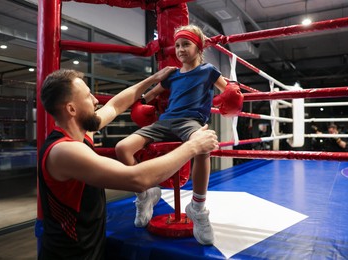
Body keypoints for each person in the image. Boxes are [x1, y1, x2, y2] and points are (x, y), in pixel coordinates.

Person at [37, 67, 219, 260]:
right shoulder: (64, 151)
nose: (96, 100)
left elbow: (115, 106)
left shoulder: (81, 134)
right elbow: (137, 178)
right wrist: (193, 146)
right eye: (88, 96)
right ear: (71, 109)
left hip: (89, 250)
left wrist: (153, 79)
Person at [115, 24, 243, 245]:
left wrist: (232, 96)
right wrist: (140, 106)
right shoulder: (172, 76)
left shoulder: (208, 71)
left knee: (203, 148)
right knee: (122, 148)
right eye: (177, 45)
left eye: (186, 44)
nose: (181, 49)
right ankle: (145, 195)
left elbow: (229, 90)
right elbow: (149, 97)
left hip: (190, 123)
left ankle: (198, 207)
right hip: (164, 123)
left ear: (198, 46)